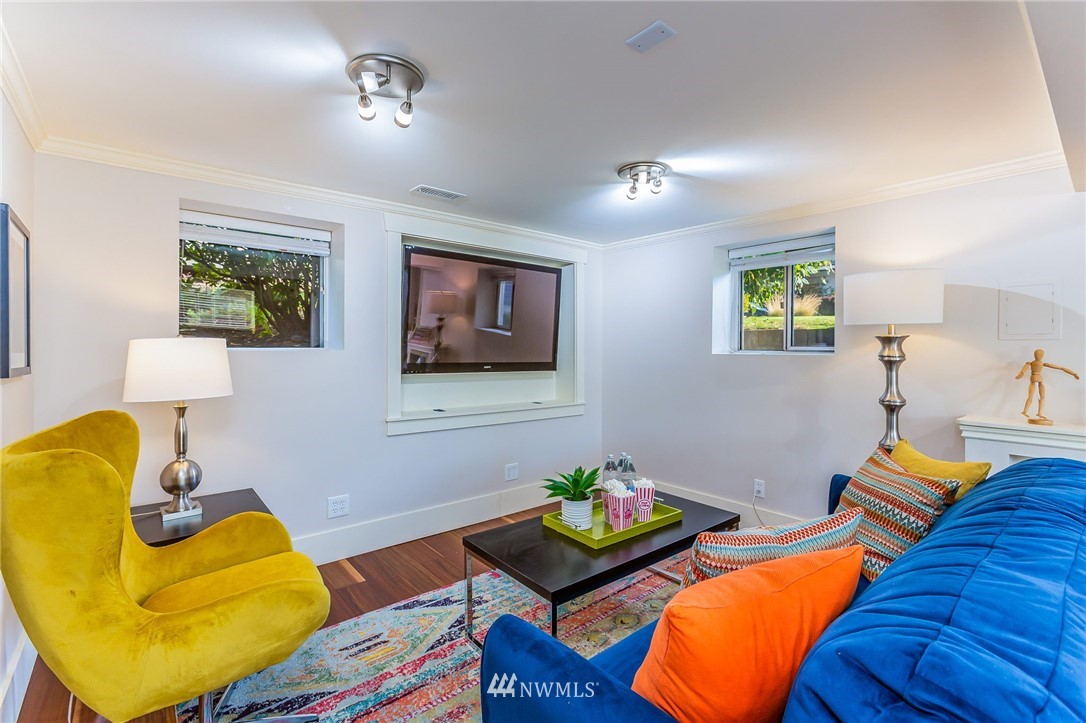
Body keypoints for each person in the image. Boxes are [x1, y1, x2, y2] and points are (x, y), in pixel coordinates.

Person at [1015, 349, 1080, 425]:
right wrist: (1074, 374)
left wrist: (1074, 374)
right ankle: (1033, 412)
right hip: (1038, 378)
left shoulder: (1032, 363)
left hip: (1035, 378)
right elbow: (1061, 368)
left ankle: (1031, 412)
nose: (1039, 356)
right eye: (1038, 354)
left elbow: (1061, 368)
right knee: (1037, 397)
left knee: (1034, 396)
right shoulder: (1039, 363)